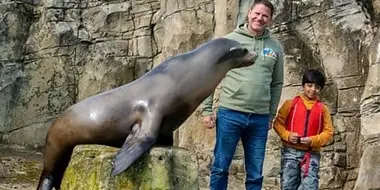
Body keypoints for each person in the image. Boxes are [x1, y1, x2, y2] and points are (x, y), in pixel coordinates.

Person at [200, 0, 285, 189]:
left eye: (265, 15)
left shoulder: (276, 48)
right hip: (230, 113)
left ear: (270, 20)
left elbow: (277, 83)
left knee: (255, 174)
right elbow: (211, 76)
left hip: (260, 119)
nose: (259, 18)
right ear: (249, 13)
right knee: (220, 167)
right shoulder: (229, 41)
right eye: (257, 13)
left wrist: (271, 114)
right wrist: (206, 110)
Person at [273, 69, 334, 190]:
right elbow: (278, 124)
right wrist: (287, 135)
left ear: (320, 89)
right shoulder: (290, 104)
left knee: (310, 186)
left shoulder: (323, 109)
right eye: (309, 85)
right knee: (288, 186)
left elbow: (328, 132)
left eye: (317, 87)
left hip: (311, 154)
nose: (312, 89)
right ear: (303, 85)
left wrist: (313, 140)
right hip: (290, 153)